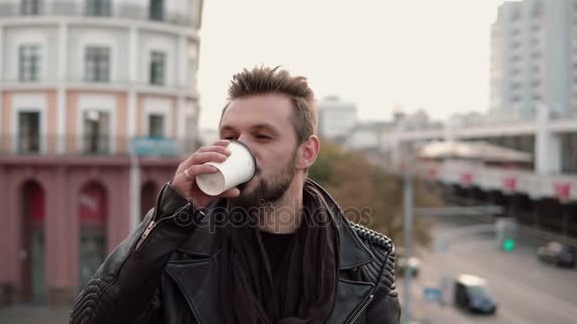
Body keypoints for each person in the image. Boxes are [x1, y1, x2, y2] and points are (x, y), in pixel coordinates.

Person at [69, 66, 401, 324]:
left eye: (262, 136)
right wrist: (169, 218)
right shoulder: (178, 247)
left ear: (306, 153)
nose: (239, 147)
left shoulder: (367, 263)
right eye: (230, 135)